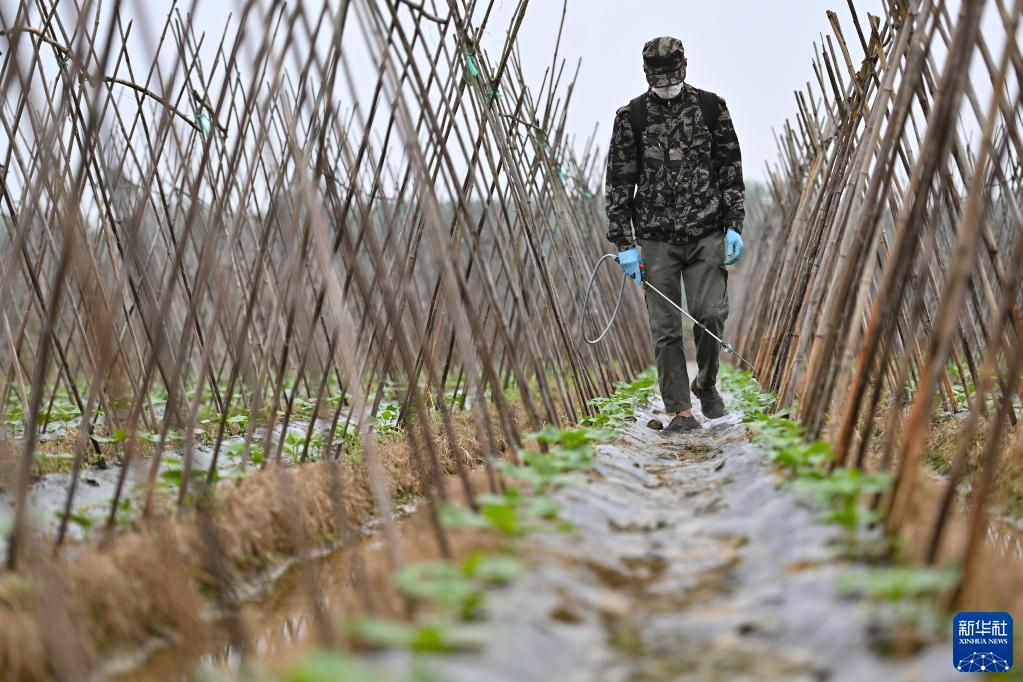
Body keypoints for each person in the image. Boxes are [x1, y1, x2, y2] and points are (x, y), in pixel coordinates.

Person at [605, 36, 745, 433]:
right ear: (647, 74)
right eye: (659, 78)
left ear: (685, 67)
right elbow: (618, 183)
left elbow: (730, 169)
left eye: (671, 76)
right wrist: (625, 244)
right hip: (655, 238)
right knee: (666, 330)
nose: (666, 84)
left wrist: (734, 224)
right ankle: (681, 413)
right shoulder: (630, 117)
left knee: (710, 315)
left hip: (706, 232)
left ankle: (706, 382)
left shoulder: (711, 108)